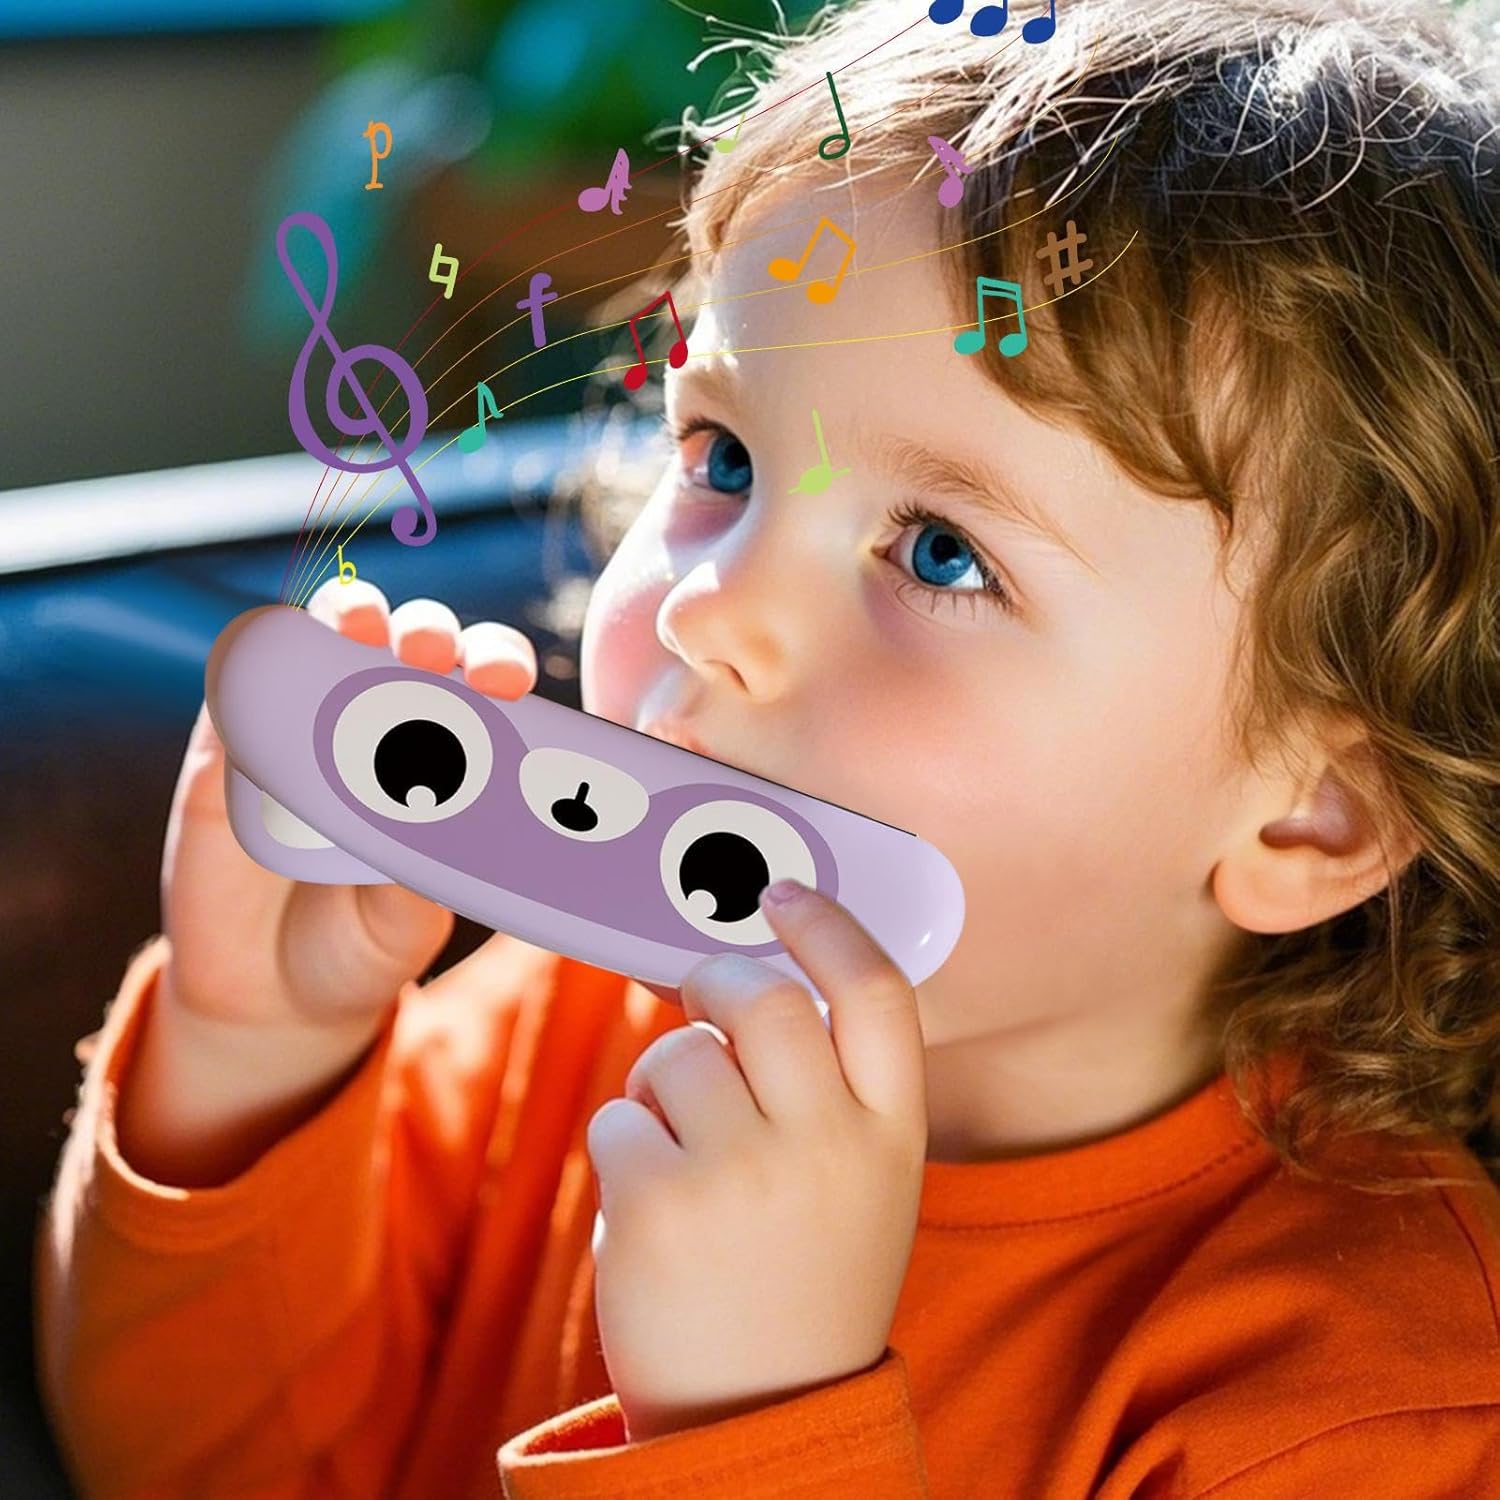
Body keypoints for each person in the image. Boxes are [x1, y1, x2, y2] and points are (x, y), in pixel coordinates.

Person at [35, 0, 1500, 1494]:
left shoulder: (1376, 1406)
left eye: (939, 553)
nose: (705, 608)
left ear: (1314, 811)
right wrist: (252, 1061)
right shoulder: (575, 1012)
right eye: (722, 455)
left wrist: (756, 1416)